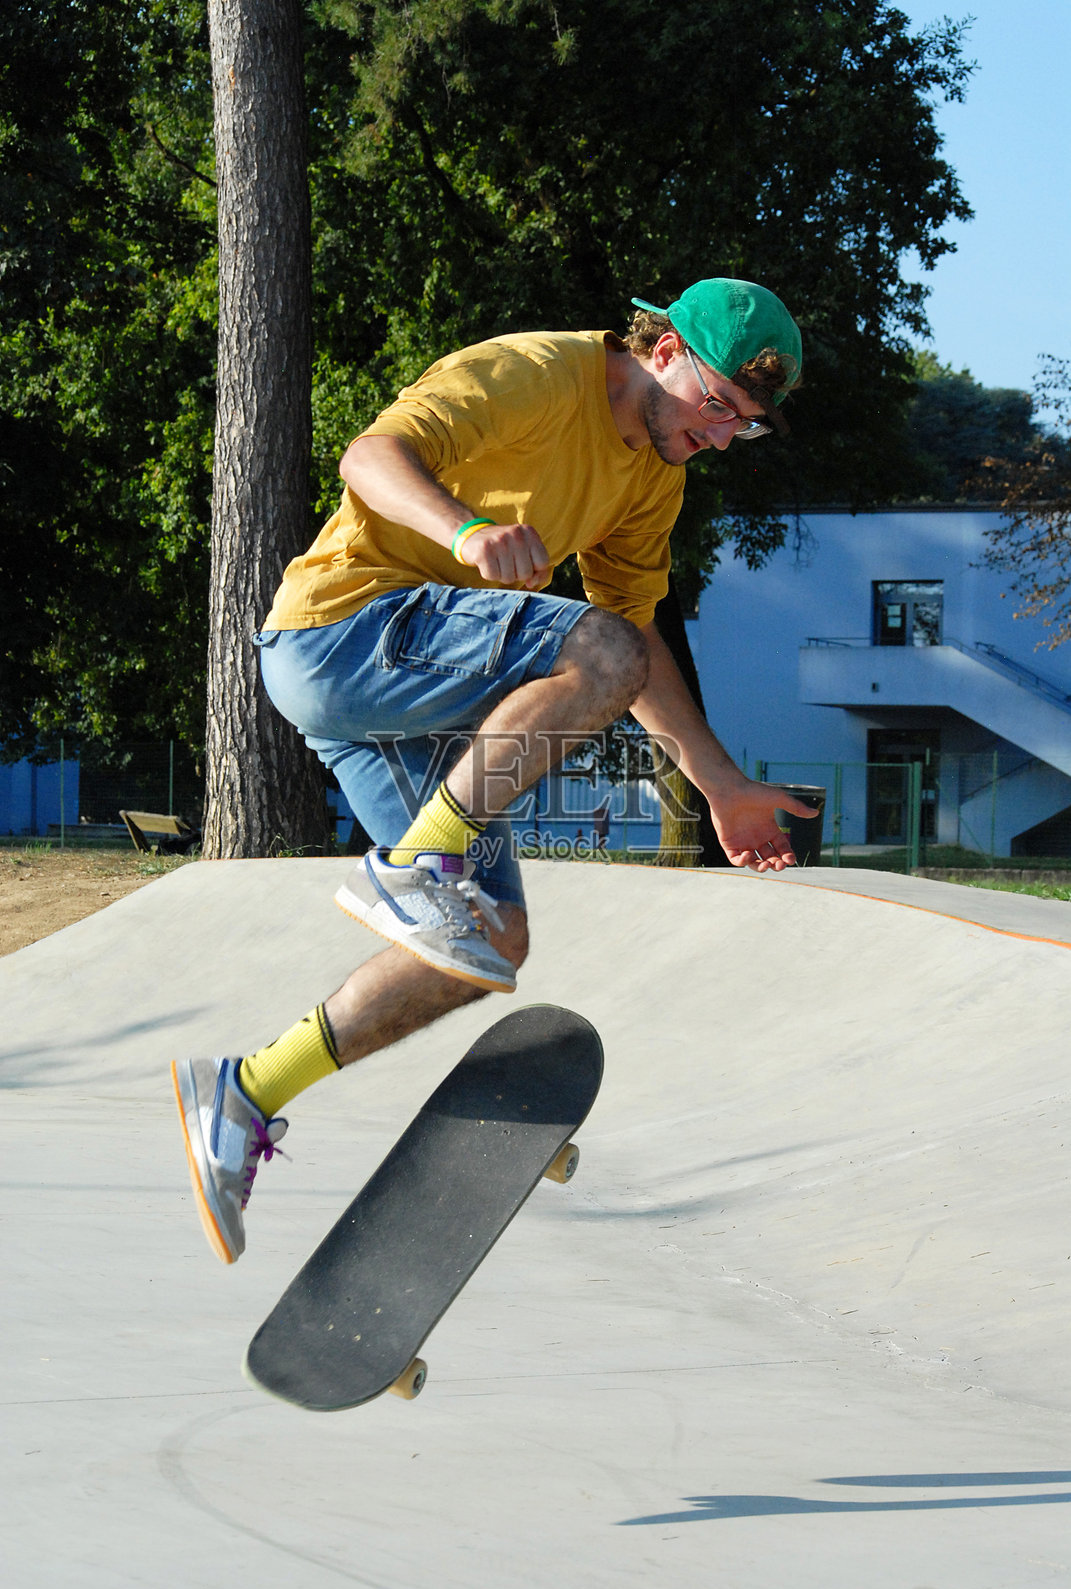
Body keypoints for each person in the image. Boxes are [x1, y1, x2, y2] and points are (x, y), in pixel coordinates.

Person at [171, 277, 817, 1264]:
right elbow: (369, 455)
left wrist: (719, 782)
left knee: (487, 941)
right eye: (718, 405)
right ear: (667, 352)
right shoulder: (534, 373)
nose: (723, 435)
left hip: (407, 697)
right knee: (594, 656)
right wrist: (465, 531)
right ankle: (412, 866)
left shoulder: (655, 477)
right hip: (343, 629)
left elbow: (639, 631)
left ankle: (245, 1091)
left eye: (747, 427)